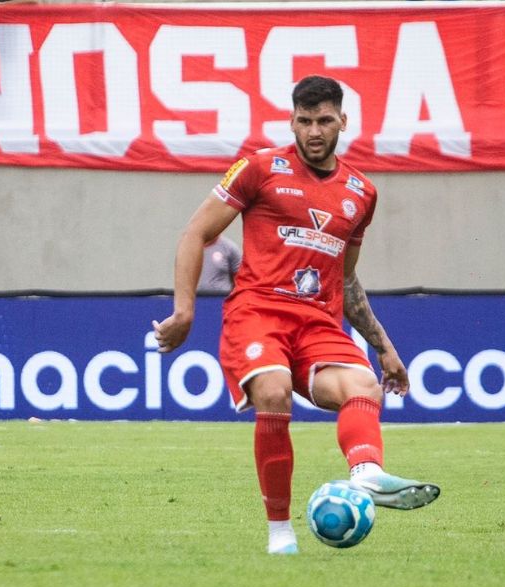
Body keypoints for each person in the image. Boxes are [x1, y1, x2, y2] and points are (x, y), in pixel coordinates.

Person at [153, 75, 440, 555]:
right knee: (273, 388)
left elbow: (346, 283)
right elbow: (194, 234)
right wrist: (184, 310)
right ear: (291, 121)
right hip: (258, 313)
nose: (313, 131)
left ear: (342, 123)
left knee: (363, 385)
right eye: (304, 121)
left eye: (324, 120)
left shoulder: (361, 193)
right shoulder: (258, 169)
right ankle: (280, 532)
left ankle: (366, 472)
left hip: (318, 323)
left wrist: (384, 348)